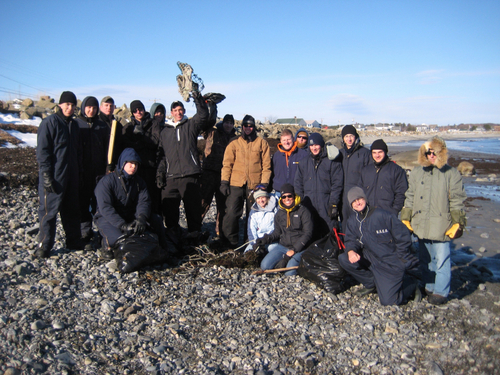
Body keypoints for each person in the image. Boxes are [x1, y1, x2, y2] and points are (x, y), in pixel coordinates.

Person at [401, 136, 466, 305]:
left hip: (442, 225)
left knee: (442, 259)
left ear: (441, 153)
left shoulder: (451, 174)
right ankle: (429, 286)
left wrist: (458, 222)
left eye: (435, 153)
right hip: (421, 224)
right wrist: (406, 217)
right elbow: (410, 196)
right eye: (428, 153)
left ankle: (440, 292)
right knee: (425, 258)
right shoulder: (416, 172)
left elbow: (457, 200)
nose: (432, 156)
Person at [338, 187, 421, 306]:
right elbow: (351, 240)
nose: (358, 203)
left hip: (389, 262)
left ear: (365, 199)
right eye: (354, 201)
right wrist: (351, 251)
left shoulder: (383, 215)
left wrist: (401, 258)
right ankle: (372, 283)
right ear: (351, 205)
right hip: (371, 258)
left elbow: (403, 236)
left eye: (360, 198)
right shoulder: (353, 220)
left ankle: (411, 284)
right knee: (344, 258)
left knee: (389, 301)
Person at [94, 148, 171, 259]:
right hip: (107, 218)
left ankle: (164, 248)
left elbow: (144, 202)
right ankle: (105, 244)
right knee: (119, 238)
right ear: (123, 163)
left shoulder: (139, 182)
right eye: (130, 163)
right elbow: (105, 208)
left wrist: (141, 218)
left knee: (156, 219)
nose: (133, 166)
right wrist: (122, 225)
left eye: (135, 164)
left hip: (129, 216)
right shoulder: (107, 182)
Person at [35, 91, 84, 258]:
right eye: (67, 105)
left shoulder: (75, 125)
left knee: (72, 210)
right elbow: (43, 151)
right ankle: (44, 245)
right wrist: (46, 174)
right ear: (60, 105)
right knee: (49, 212)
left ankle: (73, 240)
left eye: (72, 106)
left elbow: (78, 151)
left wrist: (79, 171)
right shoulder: (49, 123)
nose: (69, 108)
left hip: (71, 175)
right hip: (54, 176)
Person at [157, 91, 209, 238]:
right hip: (171, 177)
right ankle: (173, 237)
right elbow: (162, 155)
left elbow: (203, 115)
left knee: (193, 210)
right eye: (175, 110)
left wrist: (198, 98)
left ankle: (195, 236)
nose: (178, 113)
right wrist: (160, 173)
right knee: (170, 211)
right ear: (171, 112)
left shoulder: (191, 125)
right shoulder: (164, 131)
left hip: (190, 174)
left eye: (181, 110)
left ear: (184, 111)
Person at [219, 115, 271, 247]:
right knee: (231, 214)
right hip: (235, 184)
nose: (248, 128)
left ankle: (250, 244)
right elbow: (227, 164)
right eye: (246, 125)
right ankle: (230, 244)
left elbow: (266, 166)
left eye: (251, 126)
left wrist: (264, 183)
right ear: (242, 127)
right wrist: (224, 182)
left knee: (253, 216)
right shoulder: (234, 143)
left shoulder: (262, 143)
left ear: (254, 127)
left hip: (255, 186)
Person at [253, 184, 313, 276]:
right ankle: (282, 262)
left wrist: (294, 250)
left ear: (294, 196)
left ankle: (295, 263)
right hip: (283, 246)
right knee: (265, 266)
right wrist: (264, 239)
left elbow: (308, 233)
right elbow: (277, 232)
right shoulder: (280, 213)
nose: (287, 199)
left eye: (289, 196)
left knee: (289, 273)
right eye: (284, 197)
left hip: (300, 248)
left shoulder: (303, 211)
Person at [75, 96, 110, 249]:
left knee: (100, 204)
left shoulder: (102, 126)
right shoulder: (76, 125)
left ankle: (103, 233)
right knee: (83, 204)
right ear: (83, 108)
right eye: (89, 107)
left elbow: (109, 149)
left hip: (99, 173)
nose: (91, 110)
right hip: (82, 172)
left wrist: (109, 167)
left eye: (94, 108)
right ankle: (85, 233)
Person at [294, 133, 343, 239]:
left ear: (321, 145)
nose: (314, 148)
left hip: (326, 203)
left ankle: (331, 253)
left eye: (316, 145)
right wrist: (300, 202)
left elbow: (337, 184)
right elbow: (298, 184)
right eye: (311, 145)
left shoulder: (331, 161)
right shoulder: (304, 162)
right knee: (310, 232)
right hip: (309, 203)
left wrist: (333, 203)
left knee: (330, 233)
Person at [200, 114, 237, 235]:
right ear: (223, 123)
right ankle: (195, 228)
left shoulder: (235, 139)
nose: (228, 125)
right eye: (226, 122)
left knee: (223, 206)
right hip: (208, 174)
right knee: (203, 202)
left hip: (225, 176)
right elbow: (204, 124)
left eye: (231, 123)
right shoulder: (212, 133)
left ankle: (220, 232)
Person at [122, 100, 162, 213]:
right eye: (135, 110)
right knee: (136, 196)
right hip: (135, 168)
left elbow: (155, 141)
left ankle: (154, 222)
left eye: (140, 109)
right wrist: (141, 143)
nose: (138, 112)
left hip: (150, 167)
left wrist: (141, 137)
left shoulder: (153, 123)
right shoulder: (128, 127)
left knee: (152, 196)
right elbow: (126, 145)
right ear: (132, 113)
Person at [359, 139, 408, 216]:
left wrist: (395, 210)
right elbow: (360, 191)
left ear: (385, 152)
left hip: (387, 214)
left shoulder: (396, 170)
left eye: (380, 152)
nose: (377, 155)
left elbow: (401, 193)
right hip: (368, 214)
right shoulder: (366, 170)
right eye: (374, 153)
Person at [338, 125, 371, 225]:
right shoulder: (340, 154)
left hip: (358, 197)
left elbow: (369, 176)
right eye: (346, 136)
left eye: (351, 136)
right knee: (345, 225)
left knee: (359, 224)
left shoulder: (364, 153)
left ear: (355, 137)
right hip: (343, 198)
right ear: (343, 138)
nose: (349, 139)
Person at [271, 128, 307, 195]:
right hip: (279, 192)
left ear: (293, 139)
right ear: (280, 141)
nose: (286, 142)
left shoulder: (303, 155)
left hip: (297, 191)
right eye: (284, 140)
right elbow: (272, 174)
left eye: (288, 139)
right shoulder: (276, 156)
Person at [98, 96, 122, 169]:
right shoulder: (97, 123)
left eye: (111, 106)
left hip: (114, 163)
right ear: (100, 107)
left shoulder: (118, 125)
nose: (109, 108)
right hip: (99, 162)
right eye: (106, 105)